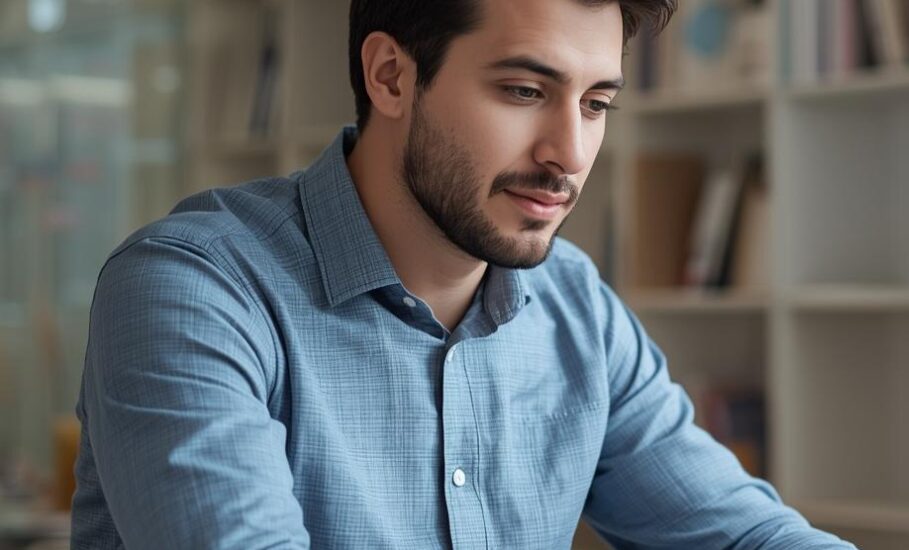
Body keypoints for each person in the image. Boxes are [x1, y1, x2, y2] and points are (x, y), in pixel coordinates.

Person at [70, 1, 854, 547]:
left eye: (596, 103)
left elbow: (743, 534)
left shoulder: (575, 304)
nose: (570, 156)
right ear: (391, 76)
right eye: (524, 91)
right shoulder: (193, 289)